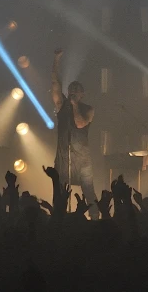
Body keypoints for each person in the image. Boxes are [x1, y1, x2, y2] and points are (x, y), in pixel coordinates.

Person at [51, 48, 98, 219]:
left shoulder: (88, 109)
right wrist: (56, 60)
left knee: (89, 192)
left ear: (82, 94)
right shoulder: (61, 106)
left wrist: (75, 105)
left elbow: (80, 123)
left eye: (76, 89)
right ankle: (59, 220)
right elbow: (55, 83)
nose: (73, 91)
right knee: (60, 194)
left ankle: (95, 220)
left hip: (82, 159)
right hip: (63, 157)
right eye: (71, 88)